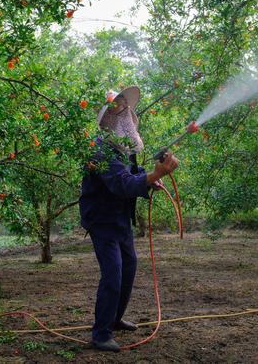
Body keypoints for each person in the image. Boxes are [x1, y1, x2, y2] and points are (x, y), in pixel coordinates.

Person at [79, 86, 179, 352]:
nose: (124, 114)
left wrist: (149, 180)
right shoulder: (100, 151)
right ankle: (100, 334)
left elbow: (134, 173)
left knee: (129, 267)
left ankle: (115, 319)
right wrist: (154, 176)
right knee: (113, 273)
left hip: (121, 217)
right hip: (102, 220)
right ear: (108, 120)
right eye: (117, 110)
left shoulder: (124, 150)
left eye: (125, 108)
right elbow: (121, 184)